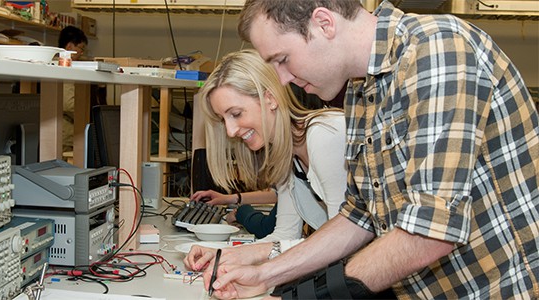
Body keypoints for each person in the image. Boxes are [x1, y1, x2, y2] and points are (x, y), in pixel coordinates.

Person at [202, 1, 539, 299]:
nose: (282, 79)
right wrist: (265, 274)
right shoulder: (361, 90)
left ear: (324, 23)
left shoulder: (436, 49)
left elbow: (430, 233)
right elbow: (358, 216)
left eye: (283, 59)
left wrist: (304, 295)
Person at [184, 49, 348, 273]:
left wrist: (247, 258)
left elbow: (343, 244)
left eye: (236, 113)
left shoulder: (324, 136)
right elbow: (284, 236)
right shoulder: (289, 156)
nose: (230, 131)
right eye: (224, 120)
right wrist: (224, 255)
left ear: (270, 99)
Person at [57, 26, 88, 152]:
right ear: (69, 47)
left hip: (64, 132)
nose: (81, 53)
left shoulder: (56, 64)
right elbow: (68, 104)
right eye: (80, 48)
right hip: (66, 134)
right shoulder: (64, 68)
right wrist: (86, 118)